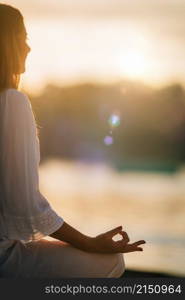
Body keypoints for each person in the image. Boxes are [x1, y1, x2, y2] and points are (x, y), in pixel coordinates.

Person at [0, 4, 146, 278]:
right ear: (6, 44)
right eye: (23, 39)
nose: (28, 48)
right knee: (112, 262)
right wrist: (89, 242)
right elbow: (25, 207)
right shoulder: (11, 101)